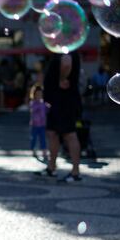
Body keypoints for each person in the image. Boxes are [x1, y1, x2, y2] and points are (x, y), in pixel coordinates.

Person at [37, 53, 82, 182]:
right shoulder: (61, 48)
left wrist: (61, 79)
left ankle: (75, 172)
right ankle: (51, 167)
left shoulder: (67, 48)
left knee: (69, 134)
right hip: (57, 101)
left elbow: (67, 62)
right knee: (52, 133)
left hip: (64, 101)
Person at [29, 84, 50, 162]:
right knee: (33, 138)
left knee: (43, 139)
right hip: (34, 124)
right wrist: (39, 105)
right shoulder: (33, 103)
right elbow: (33, 110)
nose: (39, 96)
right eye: (37, 94)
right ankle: (33, 149)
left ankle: (44, 151)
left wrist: (47, 107)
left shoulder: (43, 103)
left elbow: (47, 111)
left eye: (40, 94)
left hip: (42, 124)